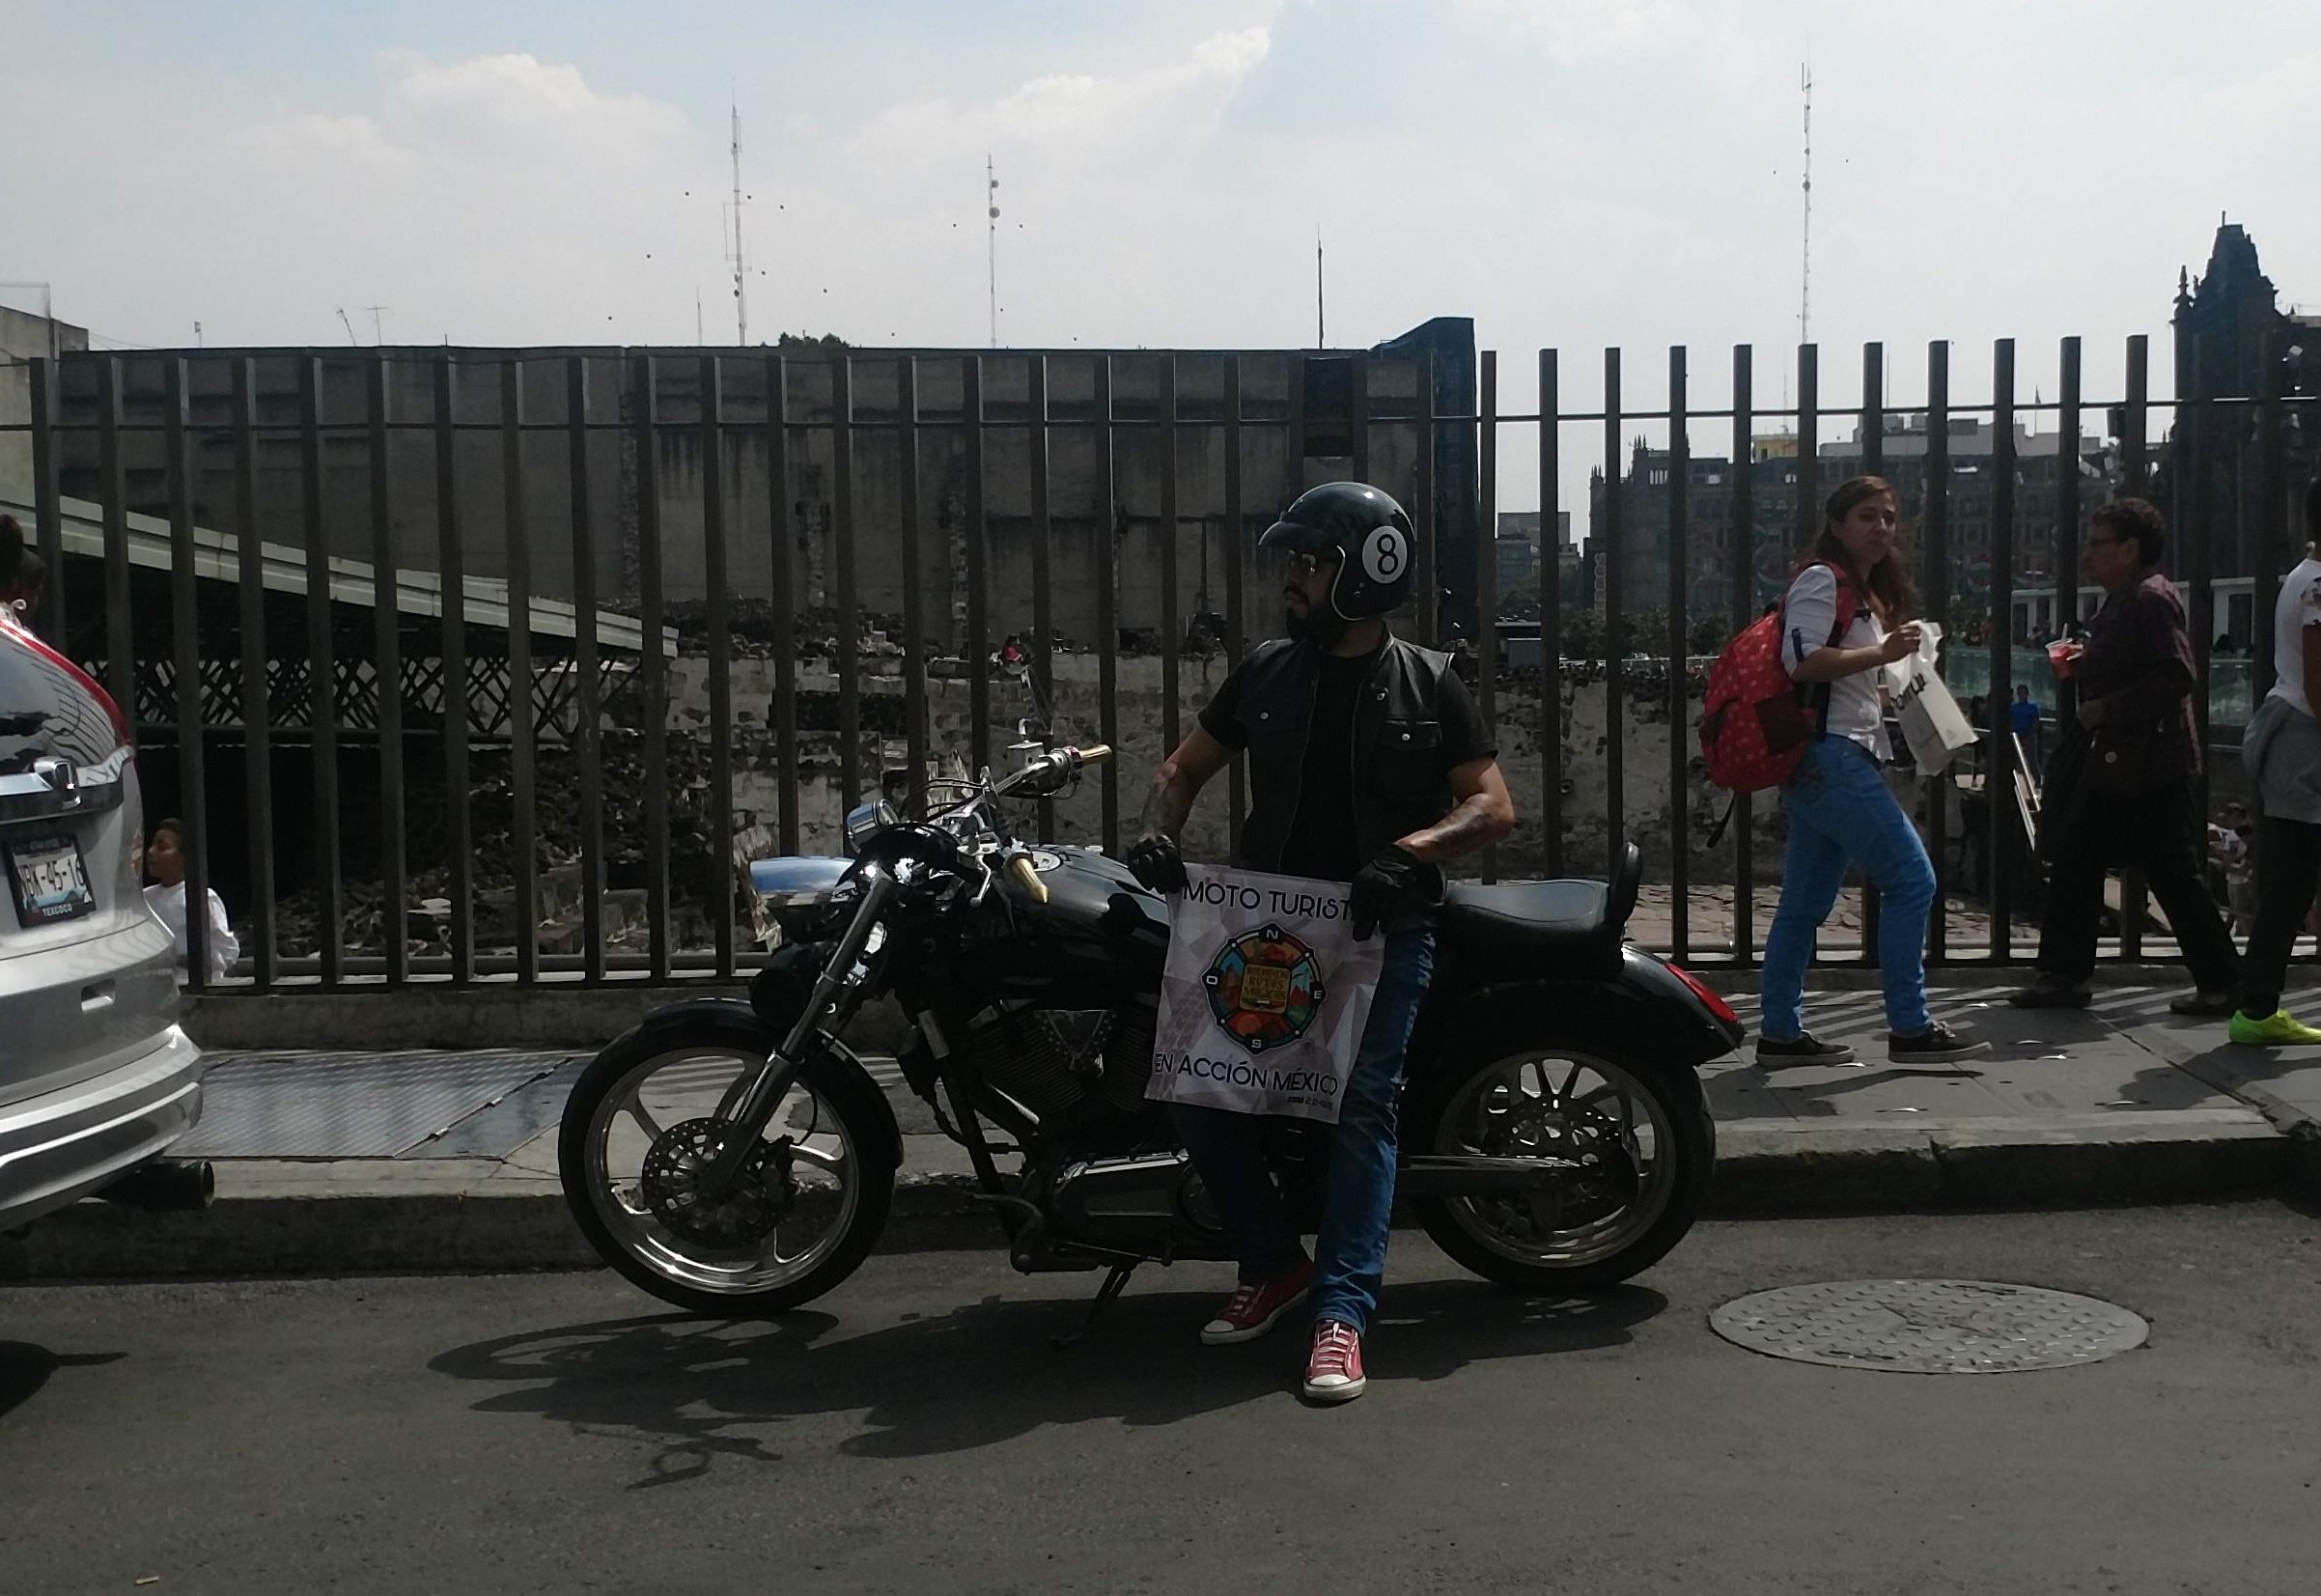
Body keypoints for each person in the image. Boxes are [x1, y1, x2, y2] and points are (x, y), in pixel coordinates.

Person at [1127, 481, 1514, 1404]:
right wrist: (1158, 829)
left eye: (1308, 563)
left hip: (1383, 930)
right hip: (1269, 931)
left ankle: (1342, 1315)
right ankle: (1272, 1260)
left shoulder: (1430, 679)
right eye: (1293, 564)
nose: (1291, 581)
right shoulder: (1265, 670)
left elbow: (1493, 804)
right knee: (1197, 1088)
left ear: (1366, 569)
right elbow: (1183, 768)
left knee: (1362, 1109)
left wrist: (1408, 853)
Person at [1756, 476, 1986, 1067]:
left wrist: (1893, 674)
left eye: (1887, 517)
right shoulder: (1822, 580)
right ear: (1837, 526)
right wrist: (1881, 655)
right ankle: (1910, 1026)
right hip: (1831, 756)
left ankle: (1780, 1033)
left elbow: (1849, 677)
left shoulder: (1860, 591)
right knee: (1913, 880)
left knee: (1805, 902)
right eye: (1866, 516)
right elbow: (1803, 661)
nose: (1881, 527)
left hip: (1838, 753)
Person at [2010, 499, 2241, 1012]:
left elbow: (2176, 674)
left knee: (2162, 869)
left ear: (2131, 549)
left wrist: (2105, 707)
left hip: (2146, 763)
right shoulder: (2127, 599)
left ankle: (2222, 980)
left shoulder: (2147, 600)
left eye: (2099, 544)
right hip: (2129, 760)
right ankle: (2066, 974)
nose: (2089, 555)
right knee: (2084, 857)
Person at [2229, 476, 2321, 1045]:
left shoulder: (2303, 577)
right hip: (2305, 743)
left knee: (2288, 885)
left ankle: (2258, 1009)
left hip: (2290, 738)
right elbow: (2317, 684)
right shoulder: (2319, 586)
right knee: (2290, 885)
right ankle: (2257, 1010)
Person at [143, 818, 238, 982]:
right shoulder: (144, 898)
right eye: (151, 845)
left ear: (183, 858)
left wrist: (183, 960)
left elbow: (226, 950)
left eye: (162, 847)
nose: (151, 852)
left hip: (189, 985)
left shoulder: (202, 897)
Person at [2010, 684, 2045, 777]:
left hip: (2030, 736)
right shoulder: (2013, 708)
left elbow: (2036, 722)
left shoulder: (2032, 707)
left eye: (2023, 693)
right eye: (2020, 693)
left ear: (2027, 694)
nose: (2022, 695)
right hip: (2016, 737)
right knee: (2013, 759)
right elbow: (2011, 722)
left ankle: (2037, 779)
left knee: (2032, 760)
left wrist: (2030, 735)